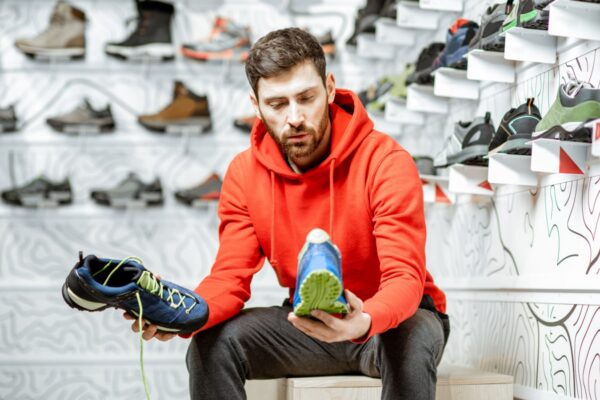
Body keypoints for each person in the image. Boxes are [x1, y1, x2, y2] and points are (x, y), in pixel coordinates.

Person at [126, 27, 450, 400]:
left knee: (408, 342)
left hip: (389, 322)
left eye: (306, 98)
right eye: (278, 104)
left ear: (329, 88)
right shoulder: (244, 174)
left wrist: (364, 320)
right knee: (210, 343)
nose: (294, 117)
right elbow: (230, 278)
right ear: (256, 104)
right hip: (311, 323)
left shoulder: (386, 162)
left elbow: (404, 278)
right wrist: (185, 314)